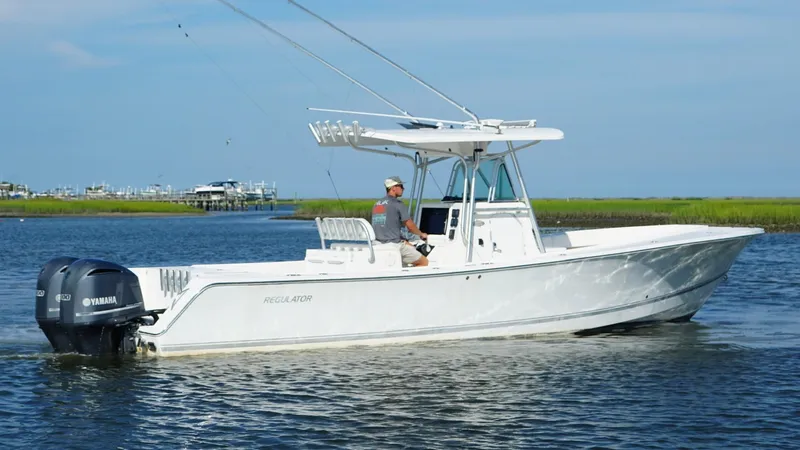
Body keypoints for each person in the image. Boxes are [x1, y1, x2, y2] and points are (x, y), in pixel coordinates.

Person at [371, 176, 429, 267]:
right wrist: (421, 234)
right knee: (424, 262)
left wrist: (404, 240)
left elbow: (386, 226)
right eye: (401, 186)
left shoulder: (377, 204)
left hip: (378, 244)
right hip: (393, 245)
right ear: (393, 188)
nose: (403, 188)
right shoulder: (398, 204)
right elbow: (410, 226)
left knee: (409, 247)